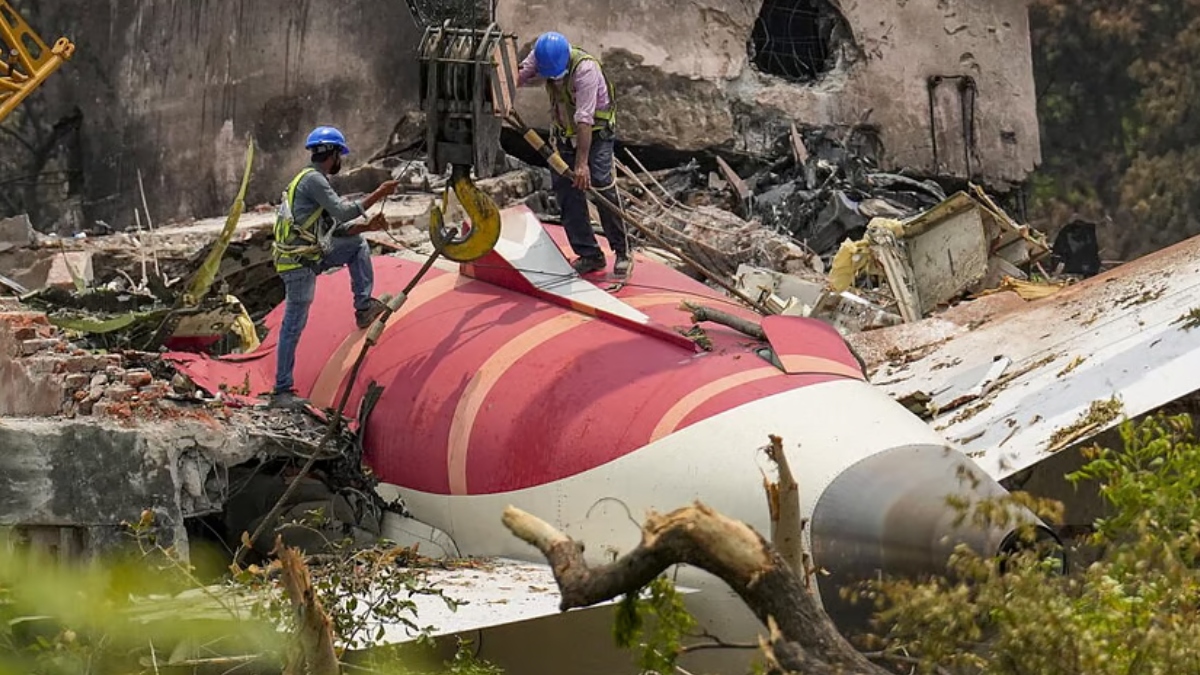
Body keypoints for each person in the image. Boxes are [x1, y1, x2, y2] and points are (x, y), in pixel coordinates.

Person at [268, 125, 400, 409]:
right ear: (334, 154)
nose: (341, 160)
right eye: (340, 154)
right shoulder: (314, 181)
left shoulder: (308, 181)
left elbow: (335, 229)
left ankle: (364, 307)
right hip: (299, 264)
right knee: (292, 326)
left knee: (358, 245)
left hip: (306, 257)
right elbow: (341, 212)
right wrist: (379, 193)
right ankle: (281, 390)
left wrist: (367, 226)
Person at [517, 31, 631, 277]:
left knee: (601, 186)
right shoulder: (540, 56)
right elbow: (517, 76)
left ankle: (622, 251)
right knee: (566, 191)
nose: (554, 81)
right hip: (564, 135)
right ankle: (590, 254)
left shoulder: (586, 71)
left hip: (595, 135)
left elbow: (584, 120)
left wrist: (582, 165)